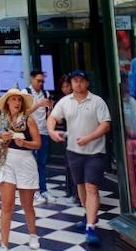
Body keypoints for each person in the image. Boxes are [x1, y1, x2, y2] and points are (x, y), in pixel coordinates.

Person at [48, 70, 112, 246]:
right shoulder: (65, 102)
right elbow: (52, 117)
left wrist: (89, 138)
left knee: (92, 187)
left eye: (81, 81)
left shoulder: (97, 102)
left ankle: (91, 226)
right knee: (81, 187)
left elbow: (106, 125)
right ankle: (88, 215)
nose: (78, 84)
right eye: (75, 81)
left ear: (87, 83)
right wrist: (52, 131)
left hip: (95, 152)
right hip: (74, 152)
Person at [0, 89, 42, 251]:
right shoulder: (0, 121)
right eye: (13, 99)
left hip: (25, 162)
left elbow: (37, 143)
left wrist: (25, 143)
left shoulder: (29, 121)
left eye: (19, 99)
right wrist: (0, 138)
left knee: (27, 205)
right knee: (7, 205)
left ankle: (33, 235)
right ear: (7, 103)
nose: (16, 102)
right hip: (6, 162)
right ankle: (3, 244)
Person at [25, 70, 54, 204]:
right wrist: (38, 104)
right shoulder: (26, 93)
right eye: (38, 80)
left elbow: (49, 115)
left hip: (44, 132)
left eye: (42, 81)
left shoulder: (46, 94)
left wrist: (50, 110)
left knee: (42, 163)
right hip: (31, 133)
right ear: (32, 80)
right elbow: (23, 113)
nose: (41, 83)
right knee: (32, 163)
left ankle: (43, 189)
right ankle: (34, 191)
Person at [55, 74, 77, 203]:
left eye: (67, 86)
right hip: (68, 134)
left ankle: (77, 193)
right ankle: (71, 192)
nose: (65, 89)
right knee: (69, 164)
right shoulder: (63, 101)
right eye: (63, 87)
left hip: (79, 134)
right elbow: (58, 118)